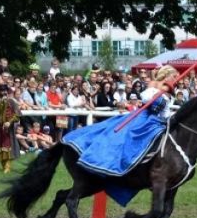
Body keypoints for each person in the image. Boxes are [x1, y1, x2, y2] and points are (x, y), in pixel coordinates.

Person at [61, 65, 178, 205]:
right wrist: (161, 91)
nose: (176, 79)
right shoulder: (155, 84)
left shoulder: (170, 90)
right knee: (129, 142)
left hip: (160, 123)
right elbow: (147, 99)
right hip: (144, 121)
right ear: (167, 75)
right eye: (174, 76)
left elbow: (164, 112)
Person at [0, 85, 21, 173]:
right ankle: (4, 166)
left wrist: (9, 122)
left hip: (8, 128)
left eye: (5, 91)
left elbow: (18, 114)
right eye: (1, 91)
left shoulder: (12, 101)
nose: (4, 93)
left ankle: (7, 167)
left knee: (8, 146)